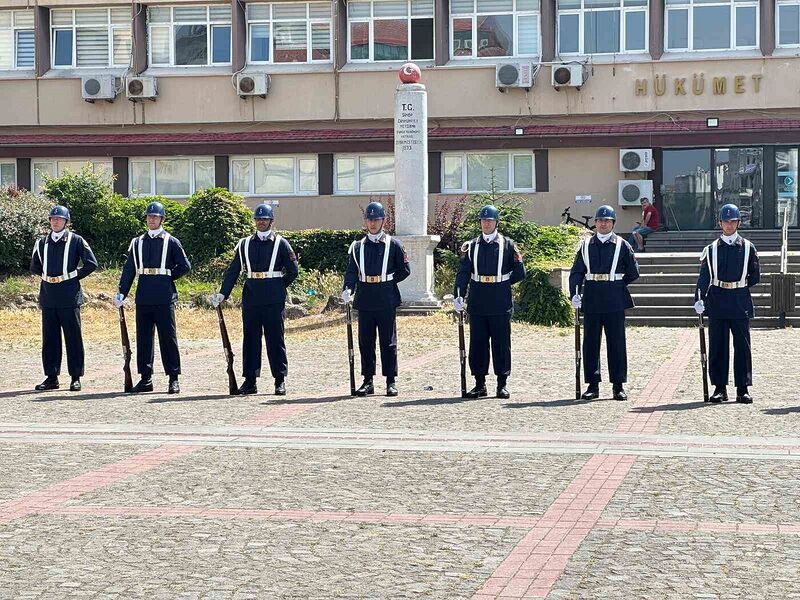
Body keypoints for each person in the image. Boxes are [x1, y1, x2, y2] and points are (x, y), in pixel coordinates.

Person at [210, 203, 299, 395]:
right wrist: (223, 293)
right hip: (252, 295)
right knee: (250, 339)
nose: (261, 222)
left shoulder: (281, 243)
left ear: (271, 221)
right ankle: (250, 381)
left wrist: (279, 286)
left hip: (273, 296)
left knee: (275, 338)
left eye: (264, 219)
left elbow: (293, 271)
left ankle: (279, 380)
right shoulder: (244, 244)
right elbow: (233, 271)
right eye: (258, 219)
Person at [115, 201, 191, 394]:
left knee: (168, 338)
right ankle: (145, 377)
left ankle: (173, 377)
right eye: (149, 216)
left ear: (162, 219)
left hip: (164, 296)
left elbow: (184, 266)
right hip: (144, 293)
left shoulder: (171, 241)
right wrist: (122, 292)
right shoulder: (138, 242)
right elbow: (129, 269)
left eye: (155, 217)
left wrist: (167, 277)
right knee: (144, 338)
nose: (151, 219)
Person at [453, 205, 526, 399]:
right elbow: (463, 273)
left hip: (500, 299)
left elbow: (520, 271)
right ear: (480, 223)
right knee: (478, 343)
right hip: (478, 299)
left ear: (496, 223)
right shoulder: (472, 246)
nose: (486, 223)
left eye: (490, 220)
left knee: (501, 343)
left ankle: (502, 383)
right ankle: (479, 384)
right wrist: (458, 294)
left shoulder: (508, 245)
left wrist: (503, 282)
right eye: (483, 220)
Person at [569, 205, 640, 401]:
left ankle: (618, 385)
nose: (603, 223)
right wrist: (574, 292)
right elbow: (577, 272)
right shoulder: (585, 246)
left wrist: (617, 283)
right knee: (590, 342)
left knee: (616, 342)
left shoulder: (622, 245)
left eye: (607, 221)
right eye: (600, 220)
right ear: (595, 223)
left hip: (614, 298)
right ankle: (592, 385)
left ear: (613, 223)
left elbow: (633, 272)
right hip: (592, 296)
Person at [342, 201, 410, 397]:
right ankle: (368, 380)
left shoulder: (394, 244)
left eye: (376, 219)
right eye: (369, 219)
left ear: (383, 221)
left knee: (388, 341)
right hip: (365, 296)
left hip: (386, 296)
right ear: (366, 221)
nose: (372, 223)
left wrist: (387, 282)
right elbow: (351, 272)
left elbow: (404, 270)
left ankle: (390, 380)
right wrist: (348, 288)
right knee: (366, 341)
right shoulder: (357, 247)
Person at [693, 203, 759, 404]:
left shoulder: (748, 247)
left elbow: (755, 276)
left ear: (738, 222)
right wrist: (699, 299)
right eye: (725, 221)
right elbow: (704, 277)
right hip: (718, 300)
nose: (729, 225)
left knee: (742, 347)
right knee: (718, 346)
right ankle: (720, 388)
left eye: (733, 221)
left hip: (739, 299)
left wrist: (739, 284)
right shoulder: (710, 249)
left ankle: (743, 388)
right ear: (720, 223)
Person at [30, 205, 98, 391]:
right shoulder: (41, 243)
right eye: (53, 218)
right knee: (50, 339)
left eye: (59, 219)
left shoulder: (76, 240)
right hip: (49, 295)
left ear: (66, 221)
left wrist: (73, 277)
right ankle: (51, 377)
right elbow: (35, 266)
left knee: (73, 337)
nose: (55, 221)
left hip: (69, 295)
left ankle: (75, 376)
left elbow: (91, 263)